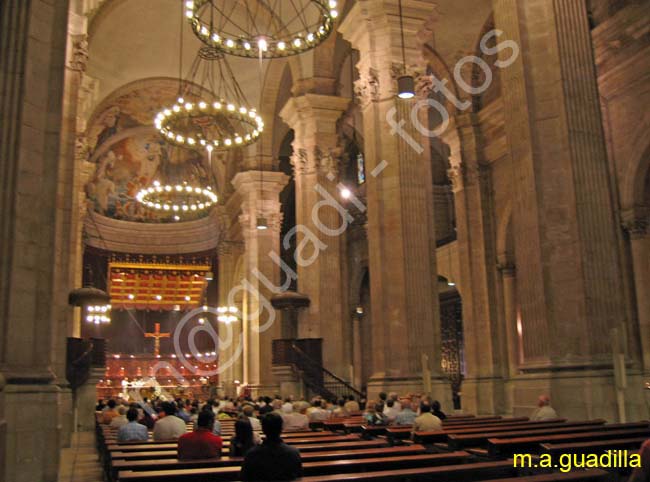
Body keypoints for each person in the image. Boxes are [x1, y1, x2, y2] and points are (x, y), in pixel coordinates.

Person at [240, 413, 302, 481]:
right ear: (281, 428)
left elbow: (244, 478)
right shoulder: (293, 452)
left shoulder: (251, 454)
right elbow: (298, 476)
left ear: (263, 429)